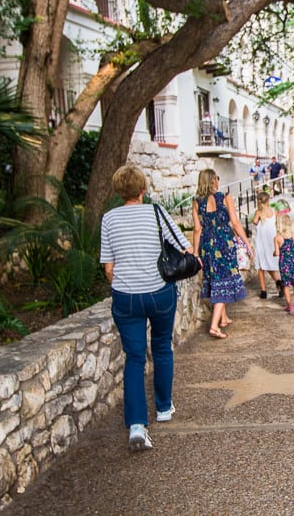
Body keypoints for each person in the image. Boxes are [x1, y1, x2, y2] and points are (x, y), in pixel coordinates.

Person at [100, 165, 192, 451]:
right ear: (143, 189)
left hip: (126, 297)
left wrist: (126, 283)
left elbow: (108, 268)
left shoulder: (109, 219)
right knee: (162, 346)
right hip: (159, 293)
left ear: (118, 190)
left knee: (134, 358)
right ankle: (164, 408)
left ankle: (137, 425)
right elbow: (184, 247)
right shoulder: (157, 213)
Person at [192, 169, 253, 339]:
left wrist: (196, 253)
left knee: (216, 279)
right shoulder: (225, 197)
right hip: (224, 245)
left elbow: (197, 230)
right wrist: (247, 244)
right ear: (212, 181)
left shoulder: (197, 202)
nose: (218, 180)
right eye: (217, 178)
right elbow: (235, 223)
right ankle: (214, 326)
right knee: (224, 282)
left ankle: (223, 318)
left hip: (207, 247)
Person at [252, 191, 282, 299]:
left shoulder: (259, 212)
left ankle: (263, 291)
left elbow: (254, 222)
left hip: (261, 242)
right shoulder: (274, 211)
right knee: (270, 265)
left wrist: (257, 215)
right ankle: (279, 283)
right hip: (271, 242)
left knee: (261, 267)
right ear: (268, 200)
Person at [274, 214, 294, 315]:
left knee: (286, 285)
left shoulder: (277, 238)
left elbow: (277, 253)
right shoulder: (293, 235)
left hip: (284, 265)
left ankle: (289, 305)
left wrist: (275, 252)